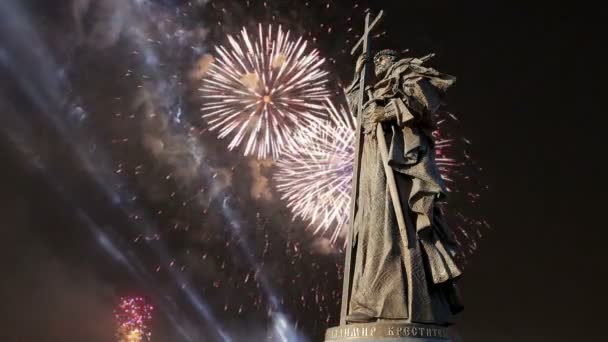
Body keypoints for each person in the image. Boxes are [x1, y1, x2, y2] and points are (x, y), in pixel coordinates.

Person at [344, 49, 463, 325]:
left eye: (383, 59)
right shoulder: (375, 87)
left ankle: (397, 300)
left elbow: (423, 102)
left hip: (398, 166)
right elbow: (359, 110)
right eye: (376, 62)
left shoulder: (406, 74)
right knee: (372, 228)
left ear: (393, 59)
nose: (379, 64)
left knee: (394, 229)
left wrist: (387, 111)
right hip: (373, 165)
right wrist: (357, 76)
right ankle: (370, 298)